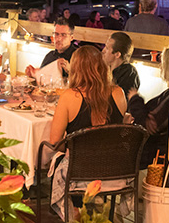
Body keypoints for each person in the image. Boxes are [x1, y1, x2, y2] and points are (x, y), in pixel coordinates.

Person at [48, 46, 130, 218]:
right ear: (102, 66)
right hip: (115, 172)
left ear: (75, 69)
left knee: (59, 160)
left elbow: (55, 142)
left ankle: (75, 213)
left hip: (80, 173)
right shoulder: (118, 93)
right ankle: (94, 209)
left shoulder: (69, 96)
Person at [101, 32, 139, 97]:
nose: (103, 51)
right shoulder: (104, 68)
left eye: (107, 48)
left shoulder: (129, 74)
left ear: (117, 54)